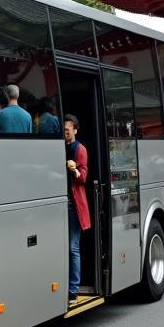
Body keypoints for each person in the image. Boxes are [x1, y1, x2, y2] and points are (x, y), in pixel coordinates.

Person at [63, 115, 90, 302]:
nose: (65, 133)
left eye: (67, 130)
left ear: (75, 130)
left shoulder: (80, 149)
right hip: (61, 202)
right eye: (63, 130)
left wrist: (74, 169)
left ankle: (73, 290)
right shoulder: (60, 147)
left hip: (74, 204)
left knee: (73, 247)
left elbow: (83, 177)